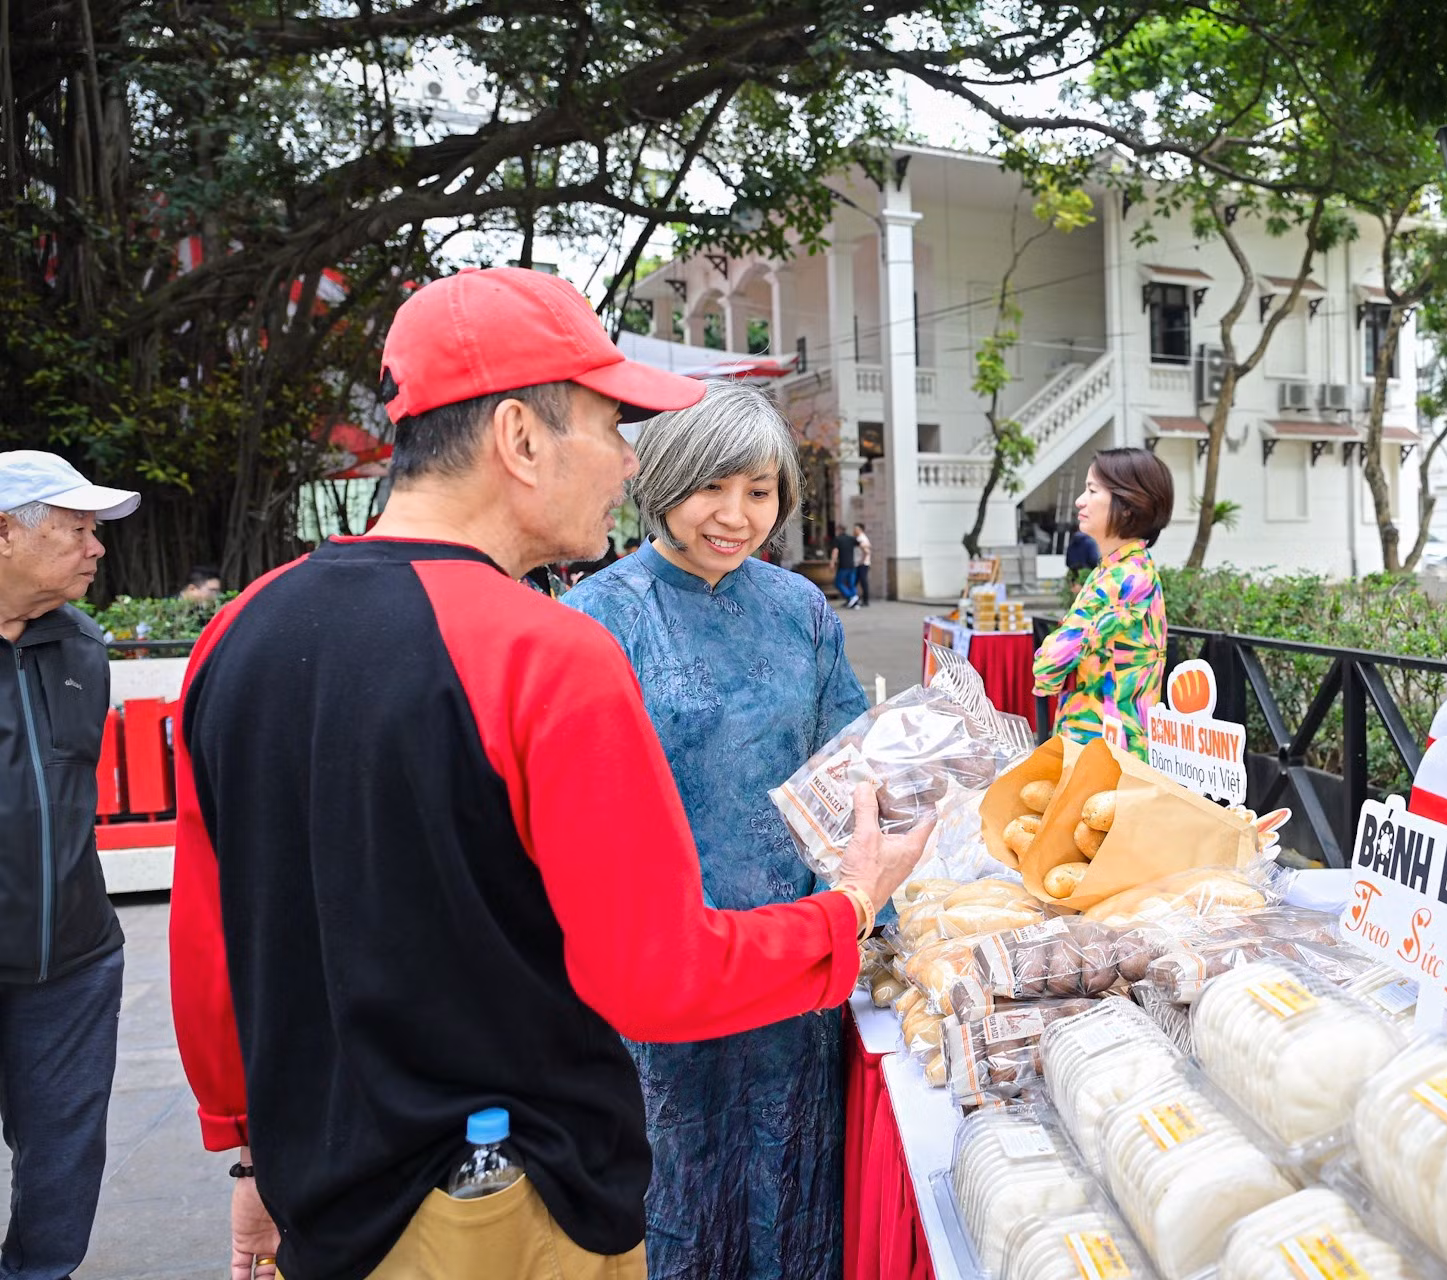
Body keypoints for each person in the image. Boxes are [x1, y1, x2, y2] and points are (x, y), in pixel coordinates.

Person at [168, 267, 931, 1280]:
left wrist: (246, 1155)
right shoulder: (551, 650)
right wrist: (848, 908)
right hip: (510, 1193)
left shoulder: (239, 630)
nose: (626, 462)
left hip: (328, 1191)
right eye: (612, 427)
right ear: (522, 438)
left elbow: (213, 934)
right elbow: (655, 973)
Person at [565, 382, 869, 1280]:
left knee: (790, 1182)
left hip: (794, 962)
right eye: (714, 488)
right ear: (664, 478)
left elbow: (849, 762)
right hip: (663, 972)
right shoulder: (597, 620)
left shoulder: (801, 611)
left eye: (762, 491)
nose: (737, 516)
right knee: (675, 1194)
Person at [0, 450, 141, 1280]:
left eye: (96, 532)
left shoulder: (82, 643)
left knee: (64, 1157)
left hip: (74, 958)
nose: (96, 549)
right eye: (76, 530)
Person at [1032, 447, 1174, 760]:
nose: (1080, 501)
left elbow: (1048, 666)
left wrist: (1050, 657)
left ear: (1127, 506)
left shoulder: (1124, 578)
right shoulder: (1123, 569)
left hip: (1107, 754)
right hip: (1102, 747)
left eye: (1092, 490)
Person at [832, 525, 858, 606]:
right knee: (851, 583)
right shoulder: (851, 538)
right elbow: (863, 545)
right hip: (852, 564)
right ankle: (854, 601)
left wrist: (832, 562)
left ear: (839, 530)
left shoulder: (838, 539)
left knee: (838, 582)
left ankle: (850, 596)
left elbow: (835, 551)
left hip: (843, 564)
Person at [852, 521, 871, 608]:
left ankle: (864, 600)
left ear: (860, 530)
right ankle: (854, 599)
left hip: (862, 564)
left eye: (856, 529)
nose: (854, 530)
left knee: (862, 582)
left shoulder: (861, 538)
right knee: (857, 582)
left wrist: (862, 561)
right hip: (860, 563)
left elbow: (866, 551)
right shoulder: (860, 538)